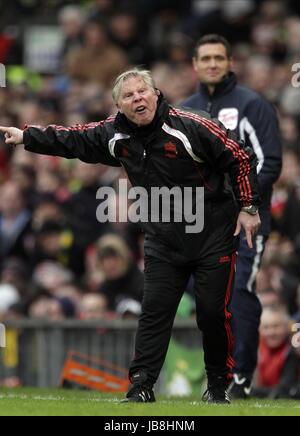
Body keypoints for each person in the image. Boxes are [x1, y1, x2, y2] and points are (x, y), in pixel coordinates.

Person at [0, 68, 261, 404]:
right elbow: (74, 137)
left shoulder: (191, 126)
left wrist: (249, 207)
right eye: (129, 95)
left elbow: (238, 155)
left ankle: (217, 384)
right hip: (163, 238)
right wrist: (26, 137)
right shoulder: (115, 135)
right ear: (118, 106)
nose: (138, 98)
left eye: (143, 91)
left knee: (211, 313)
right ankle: (141, 385)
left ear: (156, 94)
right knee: (153, 312)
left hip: (212, 234)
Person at [182, 34, 282, 398]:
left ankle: (240, 376)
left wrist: (246, 203)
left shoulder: (252, 106)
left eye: (218, 58)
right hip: (202, 222)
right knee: (209, 299)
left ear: (229, 63)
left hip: (247, 220)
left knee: (240, 290)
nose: (212, 64)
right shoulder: (184, 110)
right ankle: (218, 378)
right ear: (194, 64)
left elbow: (269, 162)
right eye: (205, 57)